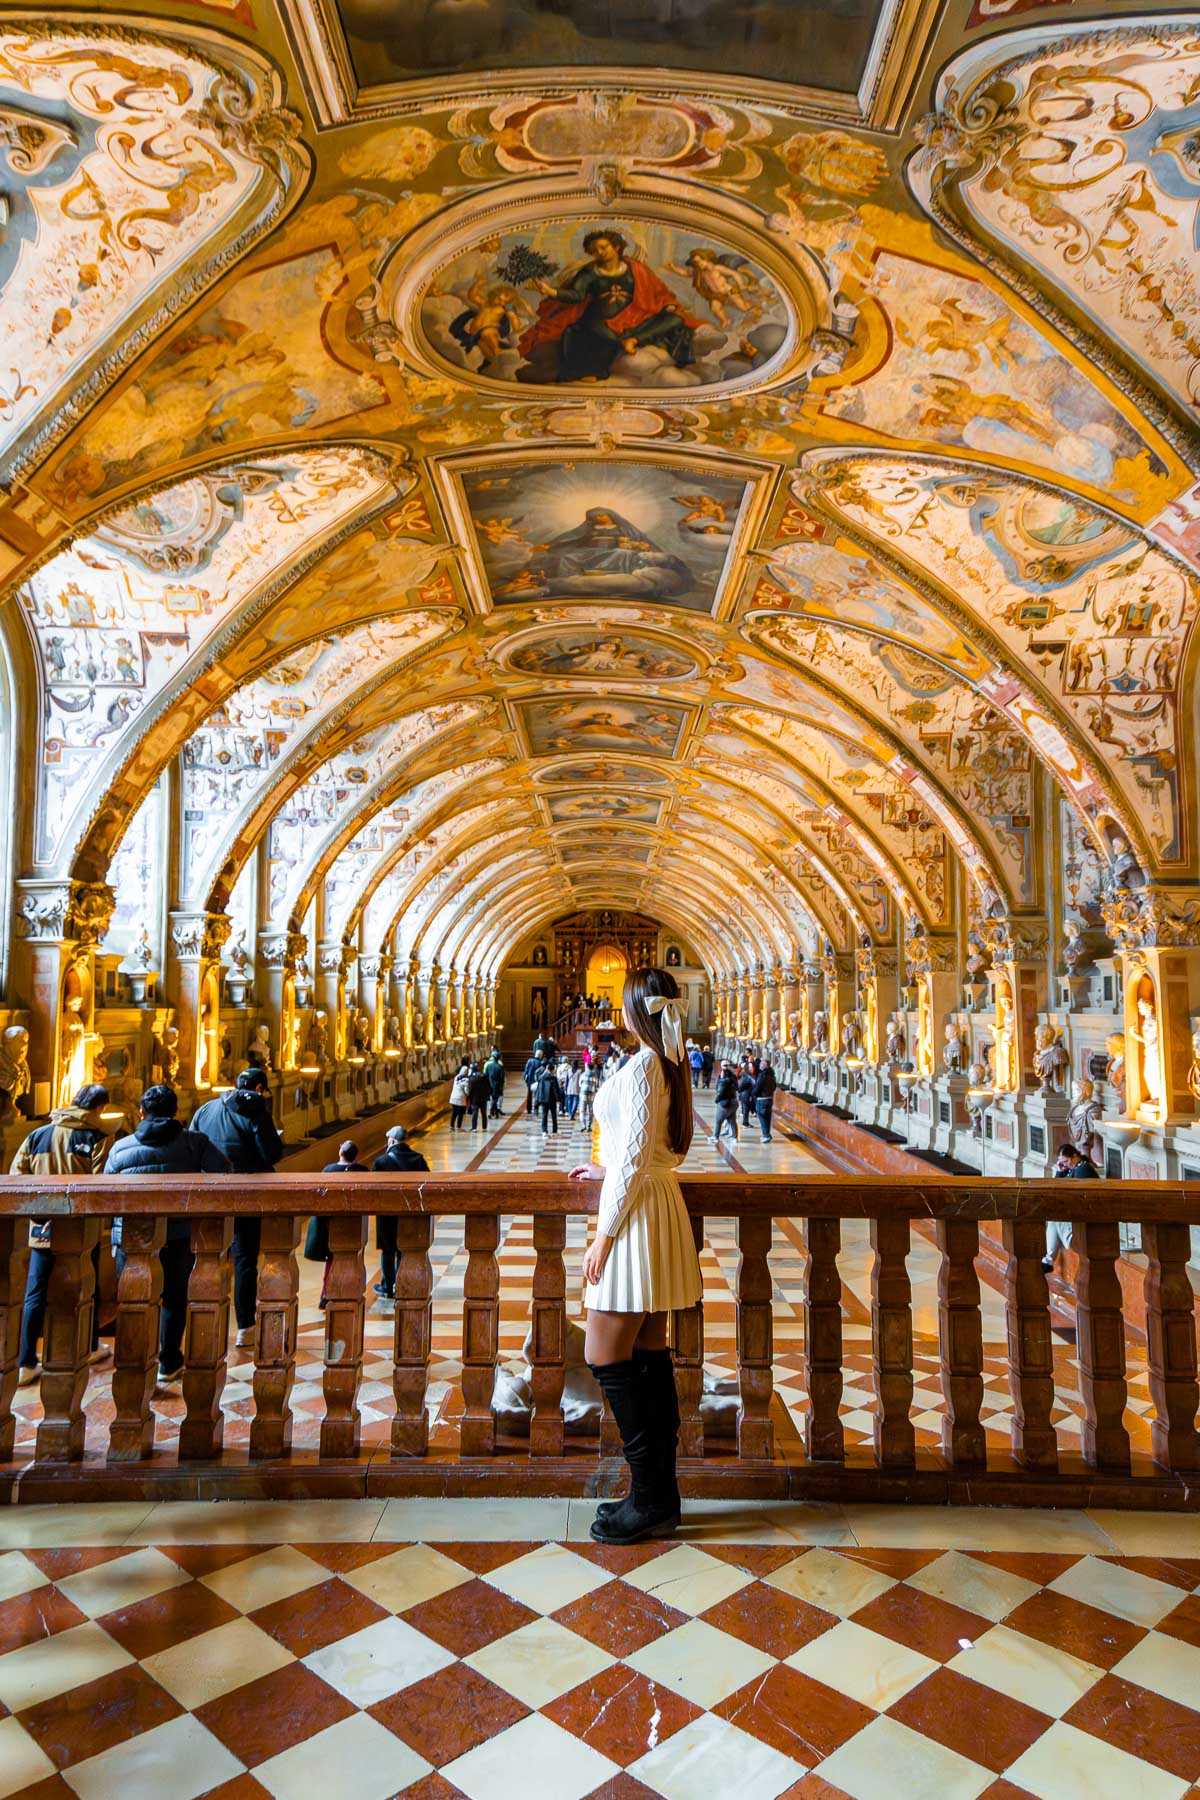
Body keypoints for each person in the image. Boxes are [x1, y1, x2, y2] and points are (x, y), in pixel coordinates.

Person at [569, 966, 702, 1544]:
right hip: (652, 1203)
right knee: (648, 1354)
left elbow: (633, 1161)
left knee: (604, 1350)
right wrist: (606, 1171)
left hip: (636, 1217)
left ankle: (649, 1496)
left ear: (634, 1010)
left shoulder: (648, 1063)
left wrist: (602, 1234)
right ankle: (658, 1495)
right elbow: (645, 1149)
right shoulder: (664, 1061)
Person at [106, 1085, 230, 1383]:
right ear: (177, 1112)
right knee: (174, 1297)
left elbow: (107, 1193)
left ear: (141, 1113)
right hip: (177, 1233)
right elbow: (225, 1170)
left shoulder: (120, 1148)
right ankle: (168, 1360)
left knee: (133, 1299)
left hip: (131, 1237)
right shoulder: (193, 1144)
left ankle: (133, 1360)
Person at [12, 1084, 115, 1386]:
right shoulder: (97, 1137)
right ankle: (90, 1345)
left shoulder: (37, 1135)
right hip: (81, 1225)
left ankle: (27, 1361)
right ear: (99, 1108)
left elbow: (17, 1176)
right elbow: (101, 1184)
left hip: (43, 1222)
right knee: (89, 1283)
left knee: (36, 1290)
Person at [192, 1068, 284, 1350]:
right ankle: (245, 1326)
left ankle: (202, 1324)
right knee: (245, 1260)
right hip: (246, 1194)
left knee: (205, 1258)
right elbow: (272, 1153)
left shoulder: (206, 1108)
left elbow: (193, 1144)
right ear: (259, 1087)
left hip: (209, 1194)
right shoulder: (255, 1110)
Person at [372, 1125, 430, 1299]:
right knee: (403, 1250)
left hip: (387, 1213)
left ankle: (387, 1286)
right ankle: (403, 1283)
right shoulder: (418, 1159)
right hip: (409, 1213)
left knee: (388, 1250)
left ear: (392, 1140)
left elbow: (373, 1188)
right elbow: (428, 1183)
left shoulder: (381, 1161)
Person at [307, 1140, 366, 1308]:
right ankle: (349, 1291)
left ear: (340, 1153)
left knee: (332, 1260)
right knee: (352, 1258)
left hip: (330, 1223)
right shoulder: (362, 1171)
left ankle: (327, 1293)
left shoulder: (328, 1170)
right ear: (356, 1156)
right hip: (352, 1222)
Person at [1043, 1142, 1100, 1272]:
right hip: (1074, 1215)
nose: (1065, 1165)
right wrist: (1059, 1171)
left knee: (1055, 1214)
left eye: (1066, 1161)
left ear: (1075, 1156)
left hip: (1083, 1222)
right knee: (1053, 1215)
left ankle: (1049, 1259)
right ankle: (1047, 1260)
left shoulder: (1083, 1169)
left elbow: (1075, 1195)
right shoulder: (1072, 1169)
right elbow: (1057, 1187)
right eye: (1062, 1162)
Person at [535, 1055, 562, 1137]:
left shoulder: (541, 1078)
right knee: (554, 1115)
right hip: (552, 1099)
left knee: (544, 1115)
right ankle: (554, 1130)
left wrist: (538, 1099)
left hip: (543, 1100)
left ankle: (544, 1131)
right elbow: (556, 1090)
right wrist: (558, 1099)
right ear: (553, 1069)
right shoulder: (553, 1078)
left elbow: (539, 1089)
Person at [713, 1060, 739, 1142]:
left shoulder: (723, 1077)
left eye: (726, 1065)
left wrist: (717, 1100)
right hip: (733, 1101)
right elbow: (737, 1087)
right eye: (724, 1065)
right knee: (732, 1120)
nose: (725, 1067)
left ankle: (715, 1137)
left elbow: (721, 1090)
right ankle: (734, 1137)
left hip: (725, 1102)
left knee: (718, 1120)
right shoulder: (733, 1076)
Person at [753, 1058, 777, 1144]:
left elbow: (757, 1086)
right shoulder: (772, 1075)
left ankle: (766, 1135)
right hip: (769, 1099)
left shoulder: (762, 1075)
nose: (760, 1065)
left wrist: (754, 1094)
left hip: (762, 1099)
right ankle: (767, 1135)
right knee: (767, 1118)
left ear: (765, 1065)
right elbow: (774, 1087)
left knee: (762, 1118)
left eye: (761, 1064)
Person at [580, 1054, 602, 1132]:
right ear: (593, 1068)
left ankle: (583, 1125)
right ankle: (589, 1126)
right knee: (590, 1110)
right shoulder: (595, 1075)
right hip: (591, 1095)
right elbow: (597, 1086)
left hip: (583, 1094)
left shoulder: (583, 1074)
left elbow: (580, 1084)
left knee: (582, 1110)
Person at [467, 1061, 491, 1131]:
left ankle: (474, 1127)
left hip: (475, 1098)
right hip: (483, 1097)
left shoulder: (471, 1078)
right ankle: (484, 1127)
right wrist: (487, 1095)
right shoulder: (484, 1075)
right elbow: (488, 1086)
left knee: (475, 1112)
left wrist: (470, 1098)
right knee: (484, 1113)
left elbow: (470, 1089)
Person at [449, 1062, 470, 1130]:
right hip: (460, 1099)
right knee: (460, 1114)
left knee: (454, 1113)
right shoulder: (466, 1080)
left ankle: (451, 1127)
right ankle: (458, 1127)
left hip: (453, 1098)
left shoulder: (456, 1077)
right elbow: (466, 1091)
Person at [486, 1047, 505, 1116]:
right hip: (497, 1085)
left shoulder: (488, 1066)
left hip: (489, 1084)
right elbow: (502, 1078)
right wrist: (502, 1086)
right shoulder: (500, 1067)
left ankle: (495, 1112)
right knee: (495, 1099)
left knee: (492, 1098)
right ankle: (492, 1111)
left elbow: (486, 1075)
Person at [737, 1060, 756, 1130]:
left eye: (752, 1067)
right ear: (747, 1068)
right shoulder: (746, 1076)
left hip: (748, 1095)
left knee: (746, 1109)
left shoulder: (749, 1075)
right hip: (746, 1095)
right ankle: (745, 1123)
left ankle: (746, 1122)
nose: (752, 1068)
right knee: (746, 1109)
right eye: (750, 1067)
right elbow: (740, 1087)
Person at [523, 1048, 541, 1115]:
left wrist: (525, 1078)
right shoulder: (540, 1063)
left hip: (529, 1080)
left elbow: (526, 1071)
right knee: (537, 1095)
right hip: (536, 1081)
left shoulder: (529, 1061)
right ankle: (536, 1109)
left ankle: (529, 1109)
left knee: (529, 1095)